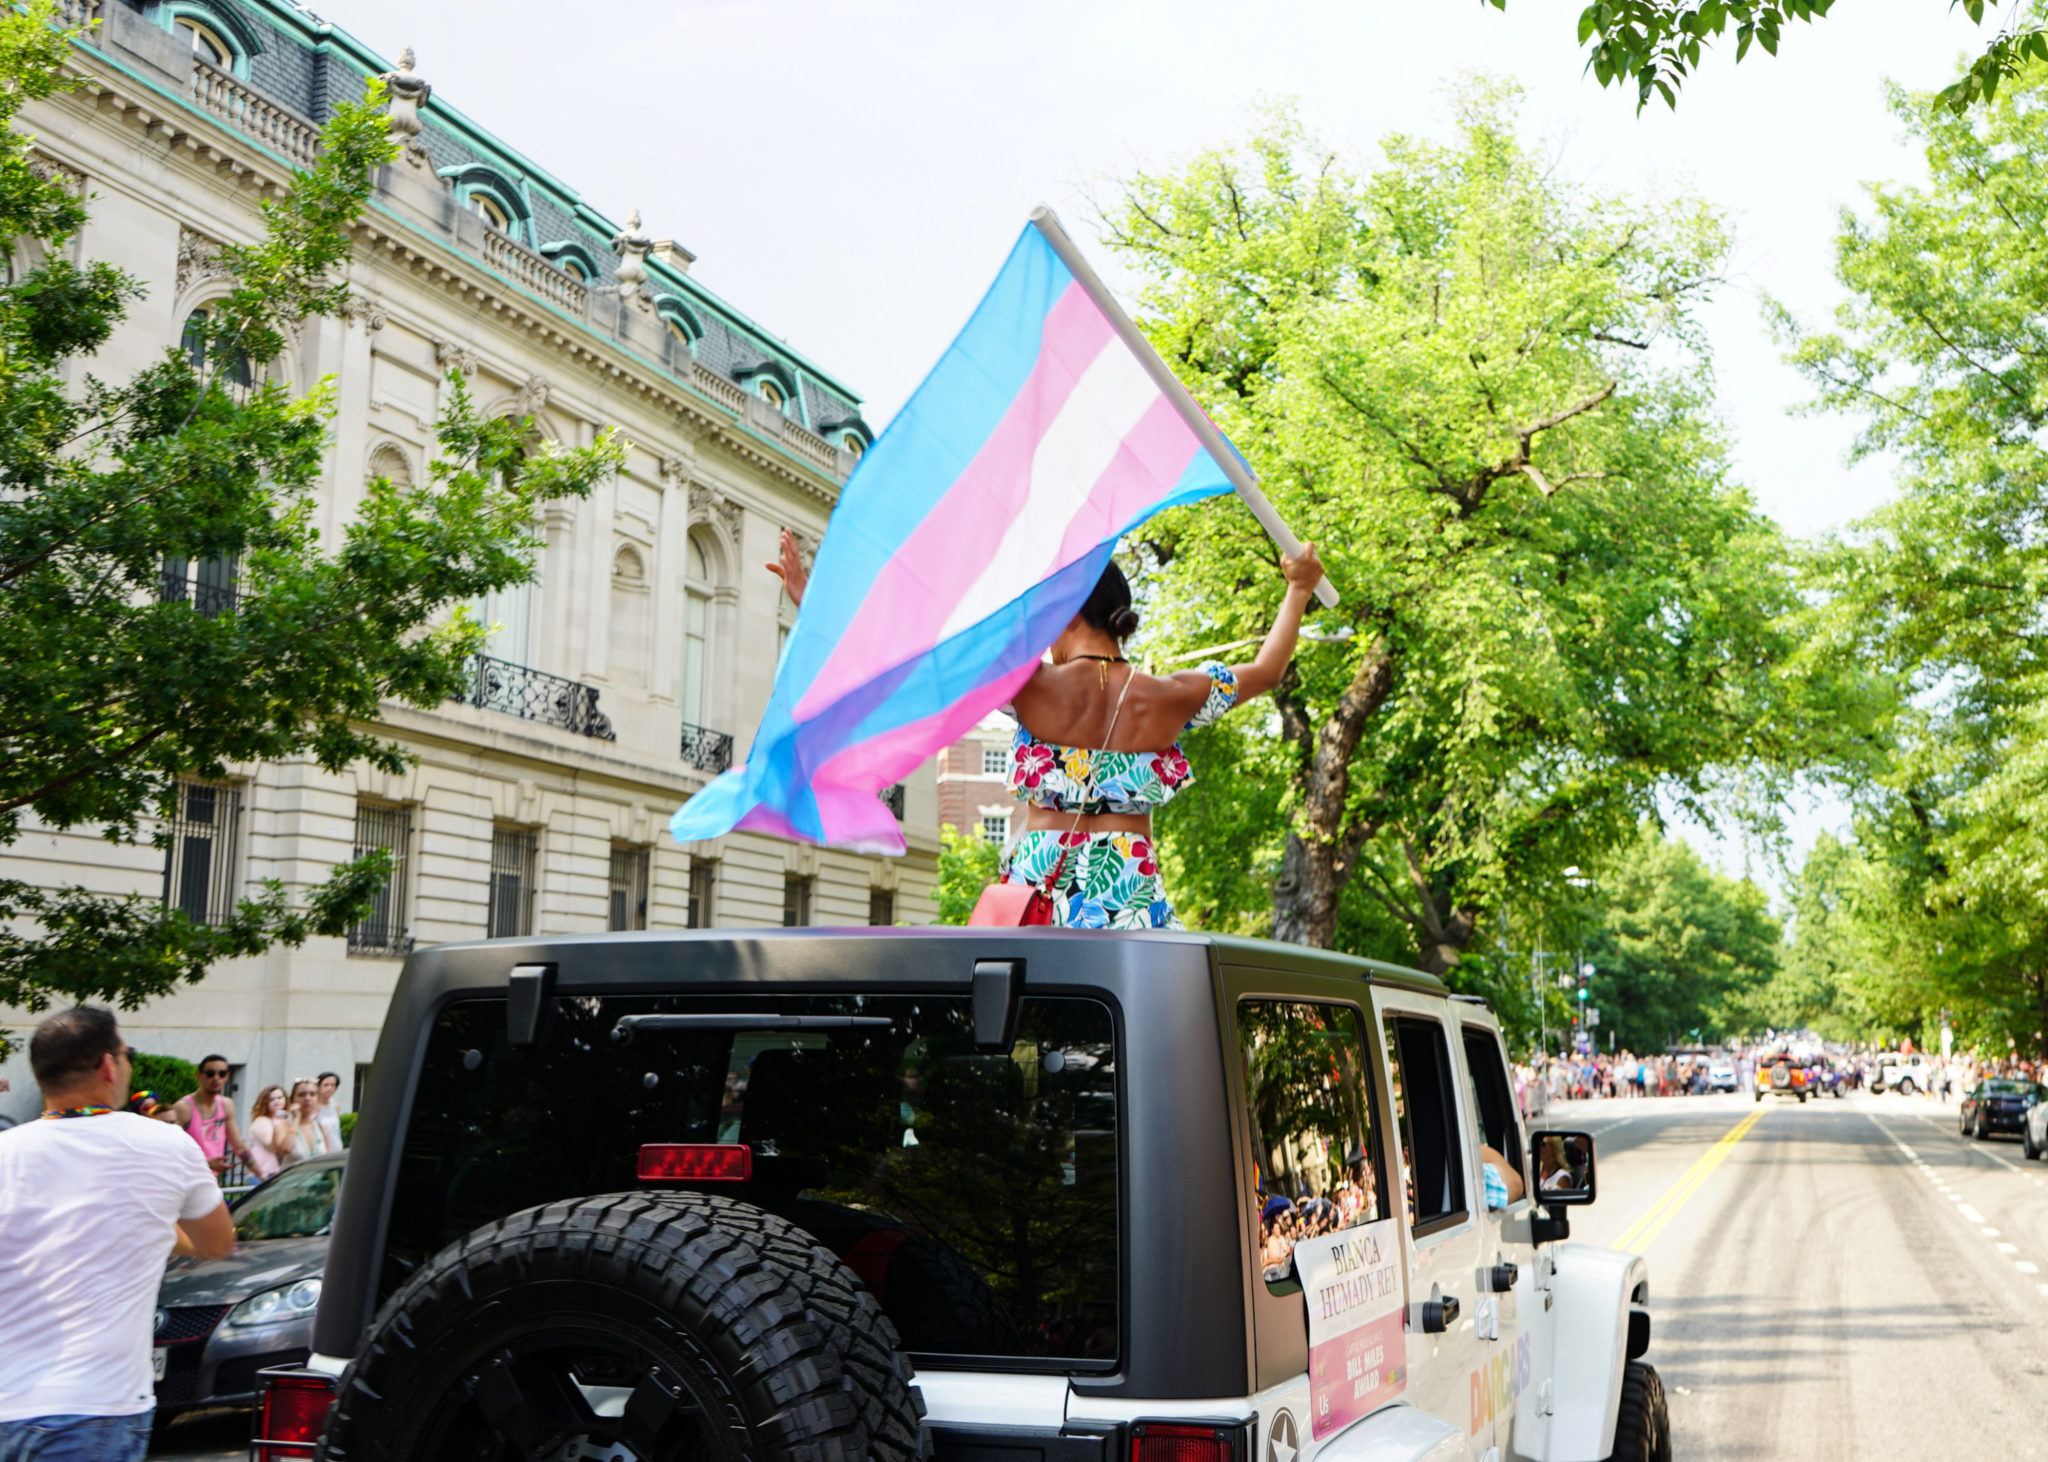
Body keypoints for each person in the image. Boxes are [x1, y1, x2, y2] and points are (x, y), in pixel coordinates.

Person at [770, 529, 1326, 928]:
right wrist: (1298, 589)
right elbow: (1268, 671)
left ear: (1067, 614)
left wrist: (814, 606)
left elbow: (910, 664)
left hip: (1037, 881)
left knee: (1027, 1029)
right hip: (1128, 882)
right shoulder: (1171, 696)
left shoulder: (1027, 685)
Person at [0, 1008, 234, 1458]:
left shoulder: (7, 1151)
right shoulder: (165, 1144)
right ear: (108, 1065)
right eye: (127, 1054)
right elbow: (216, 1242)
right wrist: (146, 1220)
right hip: (95, 1407)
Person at [166, 1053, 253, 1176]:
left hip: (210, 1180)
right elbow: (169, 1150)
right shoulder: (183, 1107)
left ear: (227, 1076)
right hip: (186, 1179)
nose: (216, 1078)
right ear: (199, 1076)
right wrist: (206, 1163)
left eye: (222, 1074)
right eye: (210, 1074)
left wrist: (262, 1176)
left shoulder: (226, 1105)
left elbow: (239, 1147)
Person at [279, 1078, 334, 1167]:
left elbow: (329, 1160)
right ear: (293, 1099)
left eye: (312, 1094)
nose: (307, 1098)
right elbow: (286, 1149)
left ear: (318, 1099)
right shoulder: (284, 1124)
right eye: (301, 1095)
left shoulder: (321, 1127)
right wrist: (296, 1118)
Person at [246, 1084, 290, 1181]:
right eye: (272, 1099)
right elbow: (272, 1145)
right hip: (263, 1173)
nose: (277, 1101)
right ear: (265, 1103)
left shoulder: (282, 1119)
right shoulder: (262, 1121)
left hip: (275, 1171)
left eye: (279, 1097)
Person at [315, 1071, 344, 1152]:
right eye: (326, 1085)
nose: (329, 1088)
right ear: (318, 1086)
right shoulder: (313, 1107)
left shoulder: (335, 1105)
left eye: (333, 1085)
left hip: (337, 1149)